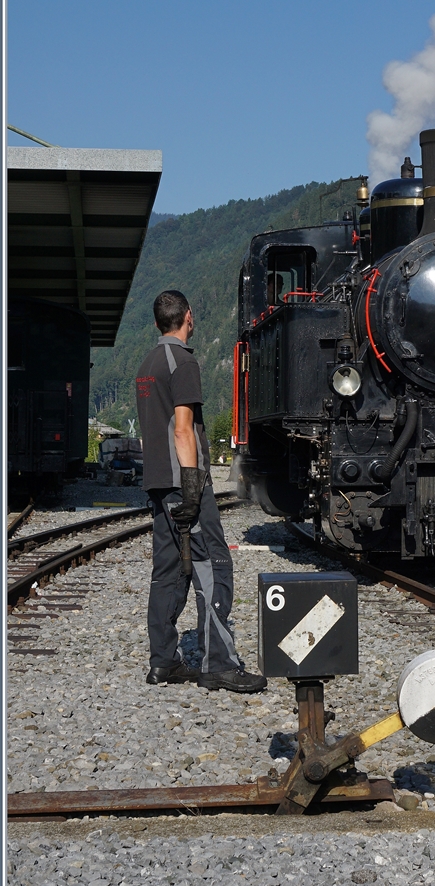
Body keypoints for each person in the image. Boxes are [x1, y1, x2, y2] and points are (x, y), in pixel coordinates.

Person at [136, 289, 265, 693]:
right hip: (184, 482)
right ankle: (219, 664)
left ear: (159, 322)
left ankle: (164, 662)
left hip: (159, 483)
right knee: (213, 566)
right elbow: (182, 427)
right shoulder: (183, 361)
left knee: (167, 572)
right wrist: (192, 487)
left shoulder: (148, 363)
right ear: (188, 317)